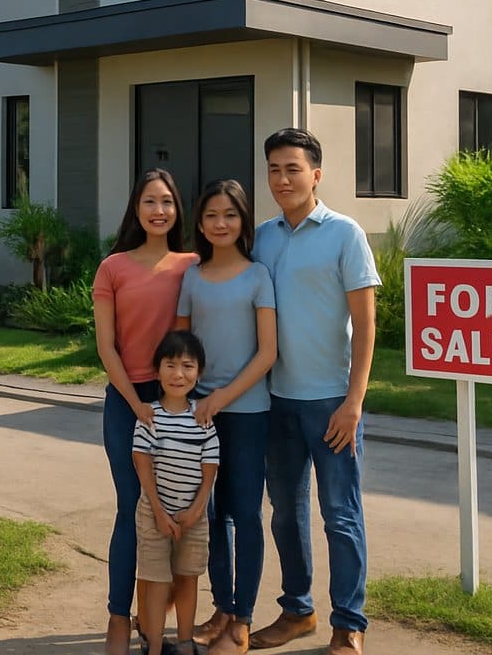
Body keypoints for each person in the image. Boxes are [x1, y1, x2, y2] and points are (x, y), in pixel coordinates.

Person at [249, 130, 379, 655]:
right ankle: (297, 611)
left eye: (293, 169)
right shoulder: (262, 236)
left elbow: (367, 325)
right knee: (284, 511)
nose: (282, 179)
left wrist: (354, 402)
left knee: (340, 515)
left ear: (316, 175)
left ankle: (350, 624)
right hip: (276, 401)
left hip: (331, 404)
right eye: (274, 170)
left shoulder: (345, 234)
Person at [92, 168, 197, 655]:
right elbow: (107, 347)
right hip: (125, 396)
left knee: (182, 510)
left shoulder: (192, 264)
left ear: (178, 210)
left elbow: (187, 340)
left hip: (178, 395)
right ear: (136, 208)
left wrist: (170, 403)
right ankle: (118, 615)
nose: (160, 211)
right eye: (150, 201)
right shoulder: (113, 267)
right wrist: (136, 405)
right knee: (132, 508)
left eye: (168, 202)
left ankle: (162, 616)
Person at [175, 180, 277, 655]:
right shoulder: (192, 277)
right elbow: (181, 348)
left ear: (243, 220)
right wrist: (193, 400)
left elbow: (267, 353)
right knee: (209, 515)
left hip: (247, 412)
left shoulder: (258, 276)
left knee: (245, 513)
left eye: (230, 214)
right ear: (200, 223)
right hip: (198, 415)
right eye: (211, 215)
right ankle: (221, 608)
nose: (220, 223)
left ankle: (244, 617)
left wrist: (220, 399)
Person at [133, 330, 220, 655]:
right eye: (170, 365)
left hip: (193, 517)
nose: (178, 374)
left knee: (187, 577)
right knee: (156, 580)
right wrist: (159, 512)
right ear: (157, 371)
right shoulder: (149, 417)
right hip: (154, 514)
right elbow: (142, 465)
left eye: (187, 365)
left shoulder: (202, 418)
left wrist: (197, 510)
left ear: (199, 373)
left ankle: (184, 643)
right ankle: (154, 646)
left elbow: (210, 467)